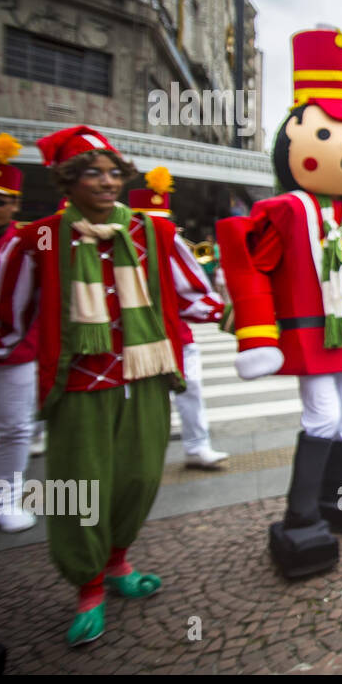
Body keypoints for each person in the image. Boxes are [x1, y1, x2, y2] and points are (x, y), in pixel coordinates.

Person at [0, 126, 220, 644]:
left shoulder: (153, 233)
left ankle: (118, 563)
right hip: (77, 386)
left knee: (139, 478)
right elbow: (11, 310)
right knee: (81, 488)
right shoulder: (40, 238)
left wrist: (251, 320)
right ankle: (88, 587)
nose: (107, 181)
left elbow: (197, 295)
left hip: (142, 377)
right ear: (67, 182)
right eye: (93, 172)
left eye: (114, 172)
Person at [216, 29, 342, 579]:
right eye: (332, 133)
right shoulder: (284, 209)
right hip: (310, 332)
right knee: (323, 416)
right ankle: (300, 512)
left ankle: (336, 498)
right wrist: (256, 334)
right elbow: (251, 266)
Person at [128, 167, 228, 470]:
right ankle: (133, 454)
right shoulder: (119, 245)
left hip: (176, 333)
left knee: (191, 387)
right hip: (132, 337)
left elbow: (192, 292)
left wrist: (227, 314)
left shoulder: (171, 243)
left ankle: (197, 446)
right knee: (134, 399)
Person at [0, 134, 36, 532]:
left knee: (15, 427)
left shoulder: (28, 242)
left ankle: (6, 497)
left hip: (14, 353)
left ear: (13, 205)